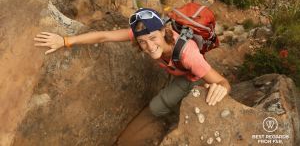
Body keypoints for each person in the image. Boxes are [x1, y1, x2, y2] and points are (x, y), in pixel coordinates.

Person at [34, 8, 231, 117]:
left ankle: (176, 109)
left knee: (156, 109)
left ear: (164, 31)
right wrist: (65, 41)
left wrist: (221, 88)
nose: (148, 45)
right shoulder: (145, 32)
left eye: (153, 38)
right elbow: (104, 36)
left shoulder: (189, 55)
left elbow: (223, 83)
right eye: (142, 41)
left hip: (191, 76)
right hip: (176, 69)